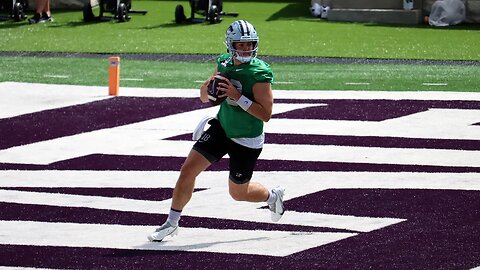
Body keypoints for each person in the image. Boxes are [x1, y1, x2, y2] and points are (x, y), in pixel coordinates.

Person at [148, 20, 285, 242]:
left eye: (249, 44)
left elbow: (265, 114)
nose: (246, 49)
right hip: (222, 127)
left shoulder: (259, 72)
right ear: (231, 45)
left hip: (246, 137)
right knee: (187, 170)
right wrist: (210, 90)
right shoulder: (223, 62)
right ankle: (171, 223)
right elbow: (203, 95)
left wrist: (237, 95)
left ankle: (272, 197)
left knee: (238, 193)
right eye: (241, 45)